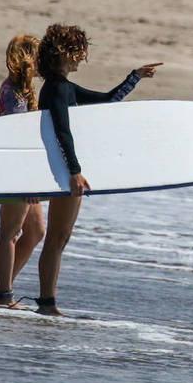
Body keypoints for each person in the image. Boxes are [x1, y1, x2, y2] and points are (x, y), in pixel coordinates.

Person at [34, 24, 161, 316]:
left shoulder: (62, 87)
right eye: (79, 53)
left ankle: (46, 301)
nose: (82, 59)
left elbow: (107, 102)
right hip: (63, 170)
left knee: (60, 237)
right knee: (56, 237)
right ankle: (46, 303)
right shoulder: (55, 89)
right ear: (65, 53)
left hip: (63, 168)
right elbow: (61, 132)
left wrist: (134, 78)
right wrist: (74, 171)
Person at [0, 34, 46, 309]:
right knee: (9, 232)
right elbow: (15, 139)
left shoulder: (24, 89)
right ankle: (4, 294)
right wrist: (27, 179)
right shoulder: (12, 91)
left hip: (23, 171)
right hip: (14, 171)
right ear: (27, 59)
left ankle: (1, 290)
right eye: (39, 56)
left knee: (35, 231)